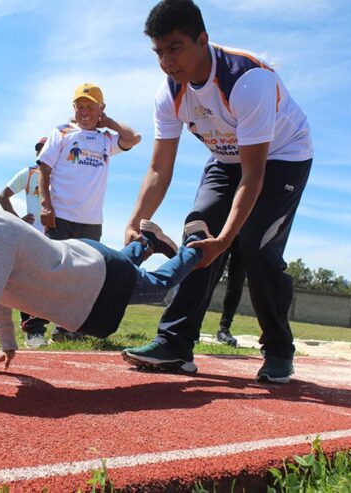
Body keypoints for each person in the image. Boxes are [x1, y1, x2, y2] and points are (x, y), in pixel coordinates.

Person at [122, 0, 313, 384]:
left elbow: (254, 175)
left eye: (175, 48)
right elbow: (160, 168)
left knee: (255, 246)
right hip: (226, 161)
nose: (166, 61)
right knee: (197, 236)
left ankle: (278, 348)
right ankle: (174, 343)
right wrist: (132, 222)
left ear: (202, 39)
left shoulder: (247, 80)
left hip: (280, 159)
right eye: (159, 52)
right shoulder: (168, 93)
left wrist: (226, 240)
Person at [0, 165, 207, 390]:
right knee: (122, 264)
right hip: (87, 260)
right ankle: (146, 242)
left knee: (156, 288)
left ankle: (194, 247)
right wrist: (9, 346)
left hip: (94, 282)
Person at [37, 83, 142, 342]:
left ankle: (65, 330)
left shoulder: (106, 139)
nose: (84, 111)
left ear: (100, 109)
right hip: (60, 215)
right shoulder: (62, 132)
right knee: (52, 272)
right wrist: (45, 204)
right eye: (79, 106)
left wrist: (109, 122)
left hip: (91, 221)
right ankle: (34, 329)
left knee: (84, 277)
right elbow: (44, 168)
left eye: (90, 106)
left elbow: (134, 138)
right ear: (73, 108)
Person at [0, 137, 49, 348]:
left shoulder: (65, 174)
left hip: (60, 236)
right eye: (38, 150)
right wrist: (18, 220)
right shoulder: (28, 174)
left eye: (45, 149)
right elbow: (3, 197)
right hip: (32, 236)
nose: (41, 153)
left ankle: (64, 330)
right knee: (29, 283)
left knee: (50, 284)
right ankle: (33, 334)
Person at [217, 239, 244, 347]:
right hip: (222, 226)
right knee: (212, 273)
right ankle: (193, 326)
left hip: (245, 230)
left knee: (237, 279)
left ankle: (224, 328)